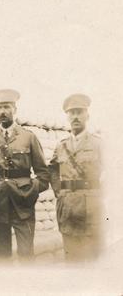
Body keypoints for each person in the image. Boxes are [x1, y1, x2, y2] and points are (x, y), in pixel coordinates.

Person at [0, 89, 49, 260]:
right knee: (1, 255)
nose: (3, 111)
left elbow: (43, 175)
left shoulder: (28, 137)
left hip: (23, 203)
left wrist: (30, 191)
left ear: (15, 109)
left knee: (26, 254)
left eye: (7, 107)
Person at [49, 94, 103, 262]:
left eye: (79, 112)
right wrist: (59, 192)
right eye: (71, 113)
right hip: (68, 209)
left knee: (92, 259)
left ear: (87, 115)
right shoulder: (61, 145)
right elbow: (52, 168)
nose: (75, 117)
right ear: (67, 117)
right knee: (71, 258)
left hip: (90, 210)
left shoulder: (98, 144)